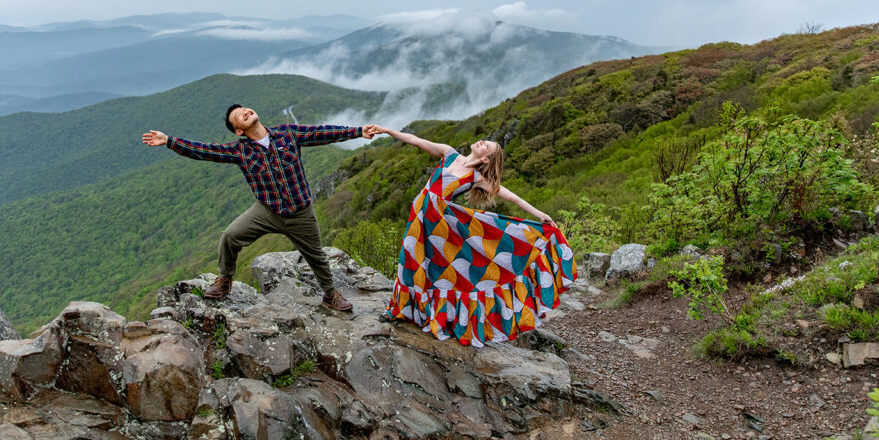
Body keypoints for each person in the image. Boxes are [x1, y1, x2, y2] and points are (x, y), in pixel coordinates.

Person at [142, 105, 373, 311]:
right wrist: (169, 141)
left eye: (244, 109)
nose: (244, 112)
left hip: (301, 212)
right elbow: (204, 150)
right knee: (230, 236)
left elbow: (320, 133)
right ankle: (225, 280)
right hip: (267, 211)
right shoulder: (241, 150)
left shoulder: (287, 133)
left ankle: (330, 295)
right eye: (237, 116)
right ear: (239, 131)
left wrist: (358, 131)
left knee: (316, 256)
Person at [364, 124, 575, 346]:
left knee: (437, 271)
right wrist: (387, 130)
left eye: (487, 146)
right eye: (485, 141)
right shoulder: (449, 153)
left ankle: (438, 316)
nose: (482, 141)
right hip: (419, 217)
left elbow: (511, 197)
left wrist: (540, 214)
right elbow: (414, 140)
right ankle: (399, 309)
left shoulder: (477, 177)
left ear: (486, 160)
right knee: (409, 261)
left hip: (441, 229)